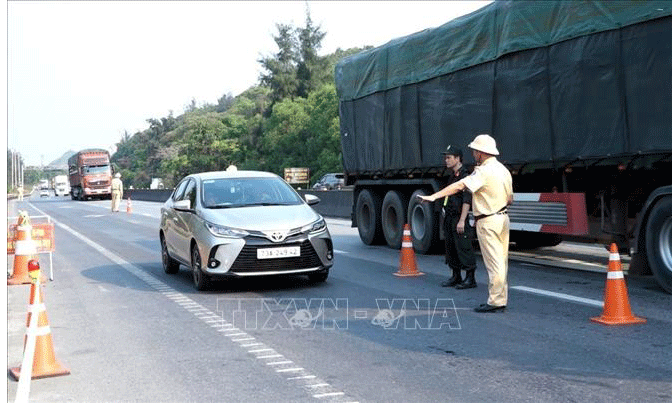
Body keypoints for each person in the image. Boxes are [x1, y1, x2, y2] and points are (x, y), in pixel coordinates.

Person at [419, 134, 513, 313]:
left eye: (474, 151)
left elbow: (459, 186)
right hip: (503, 218)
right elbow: (510, 199)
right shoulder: (503, 170)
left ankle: (495, 301)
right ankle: (500, 298)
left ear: (480, 152)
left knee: (494, 264)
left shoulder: (483, 171)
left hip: (488, 220)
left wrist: (433, 196)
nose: (473, 153)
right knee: (502, 262)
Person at [439, 145, 477, 289]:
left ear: (458, 158)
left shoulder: (465, 176)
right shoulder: (452, 176)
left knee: (463, 246)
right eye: (446, 157)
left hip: (458, 217)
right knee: (451, 247)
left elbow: (467, 199)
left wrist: (462, 220)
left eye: (449, 157)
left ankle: (470, 278)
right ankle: (455, 276)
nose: (446, 160)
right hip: (449, 217)